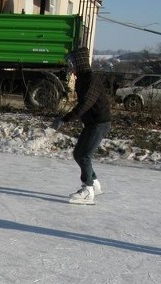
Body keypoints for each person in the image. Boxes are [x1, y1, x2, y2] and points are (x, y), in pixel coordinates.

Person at [52, 46, 111, 205]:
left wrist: (65, 119)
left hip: (99, 123)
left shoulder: (91, 80)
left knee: (84, 155)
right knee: (79, 154)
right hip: (92, 123)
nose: (70, 66)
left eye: (72, 62)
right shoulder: (81, 80)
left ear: (79, 63)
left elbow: (85, 104)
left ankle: (88, 190)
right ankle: (95, 185)